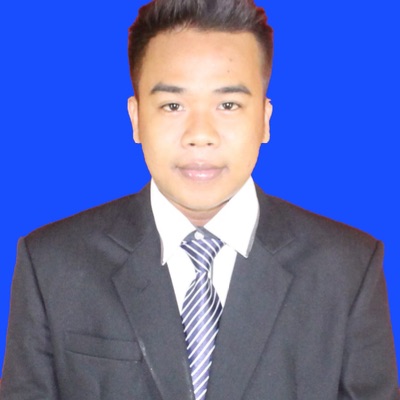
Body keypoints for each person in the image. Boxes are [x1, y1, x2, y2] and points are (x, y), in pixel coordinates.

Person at [0, 0, 399, 398]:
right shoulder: (51, 264)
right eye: (173, 105)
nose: (200, 135)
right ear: (136, 118)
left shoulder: (348, 269)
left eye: (228, 105)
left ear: (264, 119)